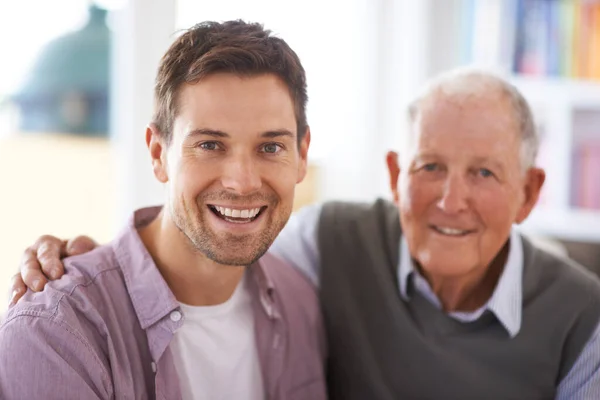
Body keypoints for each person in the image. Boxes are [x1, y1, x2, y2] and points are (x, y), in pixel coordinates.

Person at [10, 69, 600, 399]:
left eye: (485, 174)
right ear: (396, 175)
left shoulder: (584, 321)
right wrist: (90, 263)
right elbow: (221, 248)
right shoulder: (328, 245)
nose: (451, 200)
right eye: (430, 167)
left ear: (529, 193)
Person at [0, 20, 326, 400]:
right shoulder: (55, 333)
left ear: (302, 155)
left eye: (270, 148)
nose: (243, 182)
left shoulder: (301, 299)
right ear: (158, 154)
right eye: (209, 145)